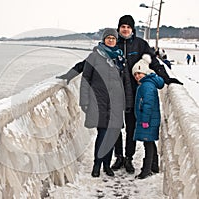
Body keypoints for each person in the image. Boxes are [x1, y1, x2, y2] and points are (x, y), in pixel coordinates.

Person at [57, 15, 183, 174]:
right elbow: (87, 64)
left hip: (133, 94)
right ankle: (119, 156)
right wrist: (69, 75)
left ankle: (129, 158)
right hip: (113, 96)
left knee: (131, 127)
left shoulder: (140, 44)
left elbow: (154, 63)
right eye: (122, 26)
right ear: (118, 29)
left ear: (132, 29)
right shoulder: (112, 46)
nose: (125, 29)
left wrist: (167, 78)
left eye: (128, 27)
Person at [79, 28, 125, 177]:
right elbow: (85, 79)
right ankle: (97, 164)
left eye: (113, 38)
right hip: (99, 101)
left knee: (112, 134)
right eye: (108, 38)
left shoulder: (119, 57)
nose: (111, 40)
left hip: (116, 102)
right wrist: (84, 100)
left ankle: (107, 165)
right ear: (104, 39)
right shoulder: (94, 57)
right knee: (103, 133)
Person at [131, 54, 164, 179]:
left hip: (148, 120)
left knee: (148, 144)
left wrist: (144, 120)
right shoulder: (147, 84)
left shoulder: (147, 86)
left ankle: (146, 170)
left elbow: (148, 105)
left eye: (140, 73)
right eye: (135, 74)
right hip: (150, 120)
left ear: (146, 72)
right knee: (150, 143)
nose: (138, 76)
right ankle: (154, 166)